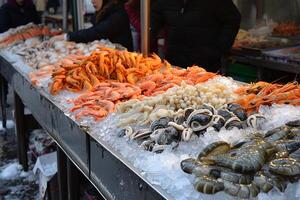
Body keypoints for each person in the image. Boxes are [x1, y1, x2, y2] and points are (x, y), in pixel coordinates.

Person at [151, 0, 241, 72]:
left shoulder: (216, 2)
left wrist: (220, 48)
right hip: (174, 62)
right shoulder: (165, 2)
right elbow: (152, 22)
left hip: (206, 65)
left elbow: (233, 19)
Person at [0, 0, 40, 106]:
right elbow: (3, 28)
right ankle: (3, 99)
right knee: (4, 74)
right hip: (10, 45)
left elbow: (37, 24)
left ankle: (31, 100)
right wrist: (20, 32)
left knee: (30, 73)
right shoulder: (5, 8)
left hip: (31, 44)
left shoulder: (31, 6)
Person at [52, 0, 133, 51]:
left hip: (122, 59)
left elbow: (96, 32)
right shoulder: (104, 12)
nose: (92, 1)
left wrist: (67, 36)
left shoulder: (117, 14)